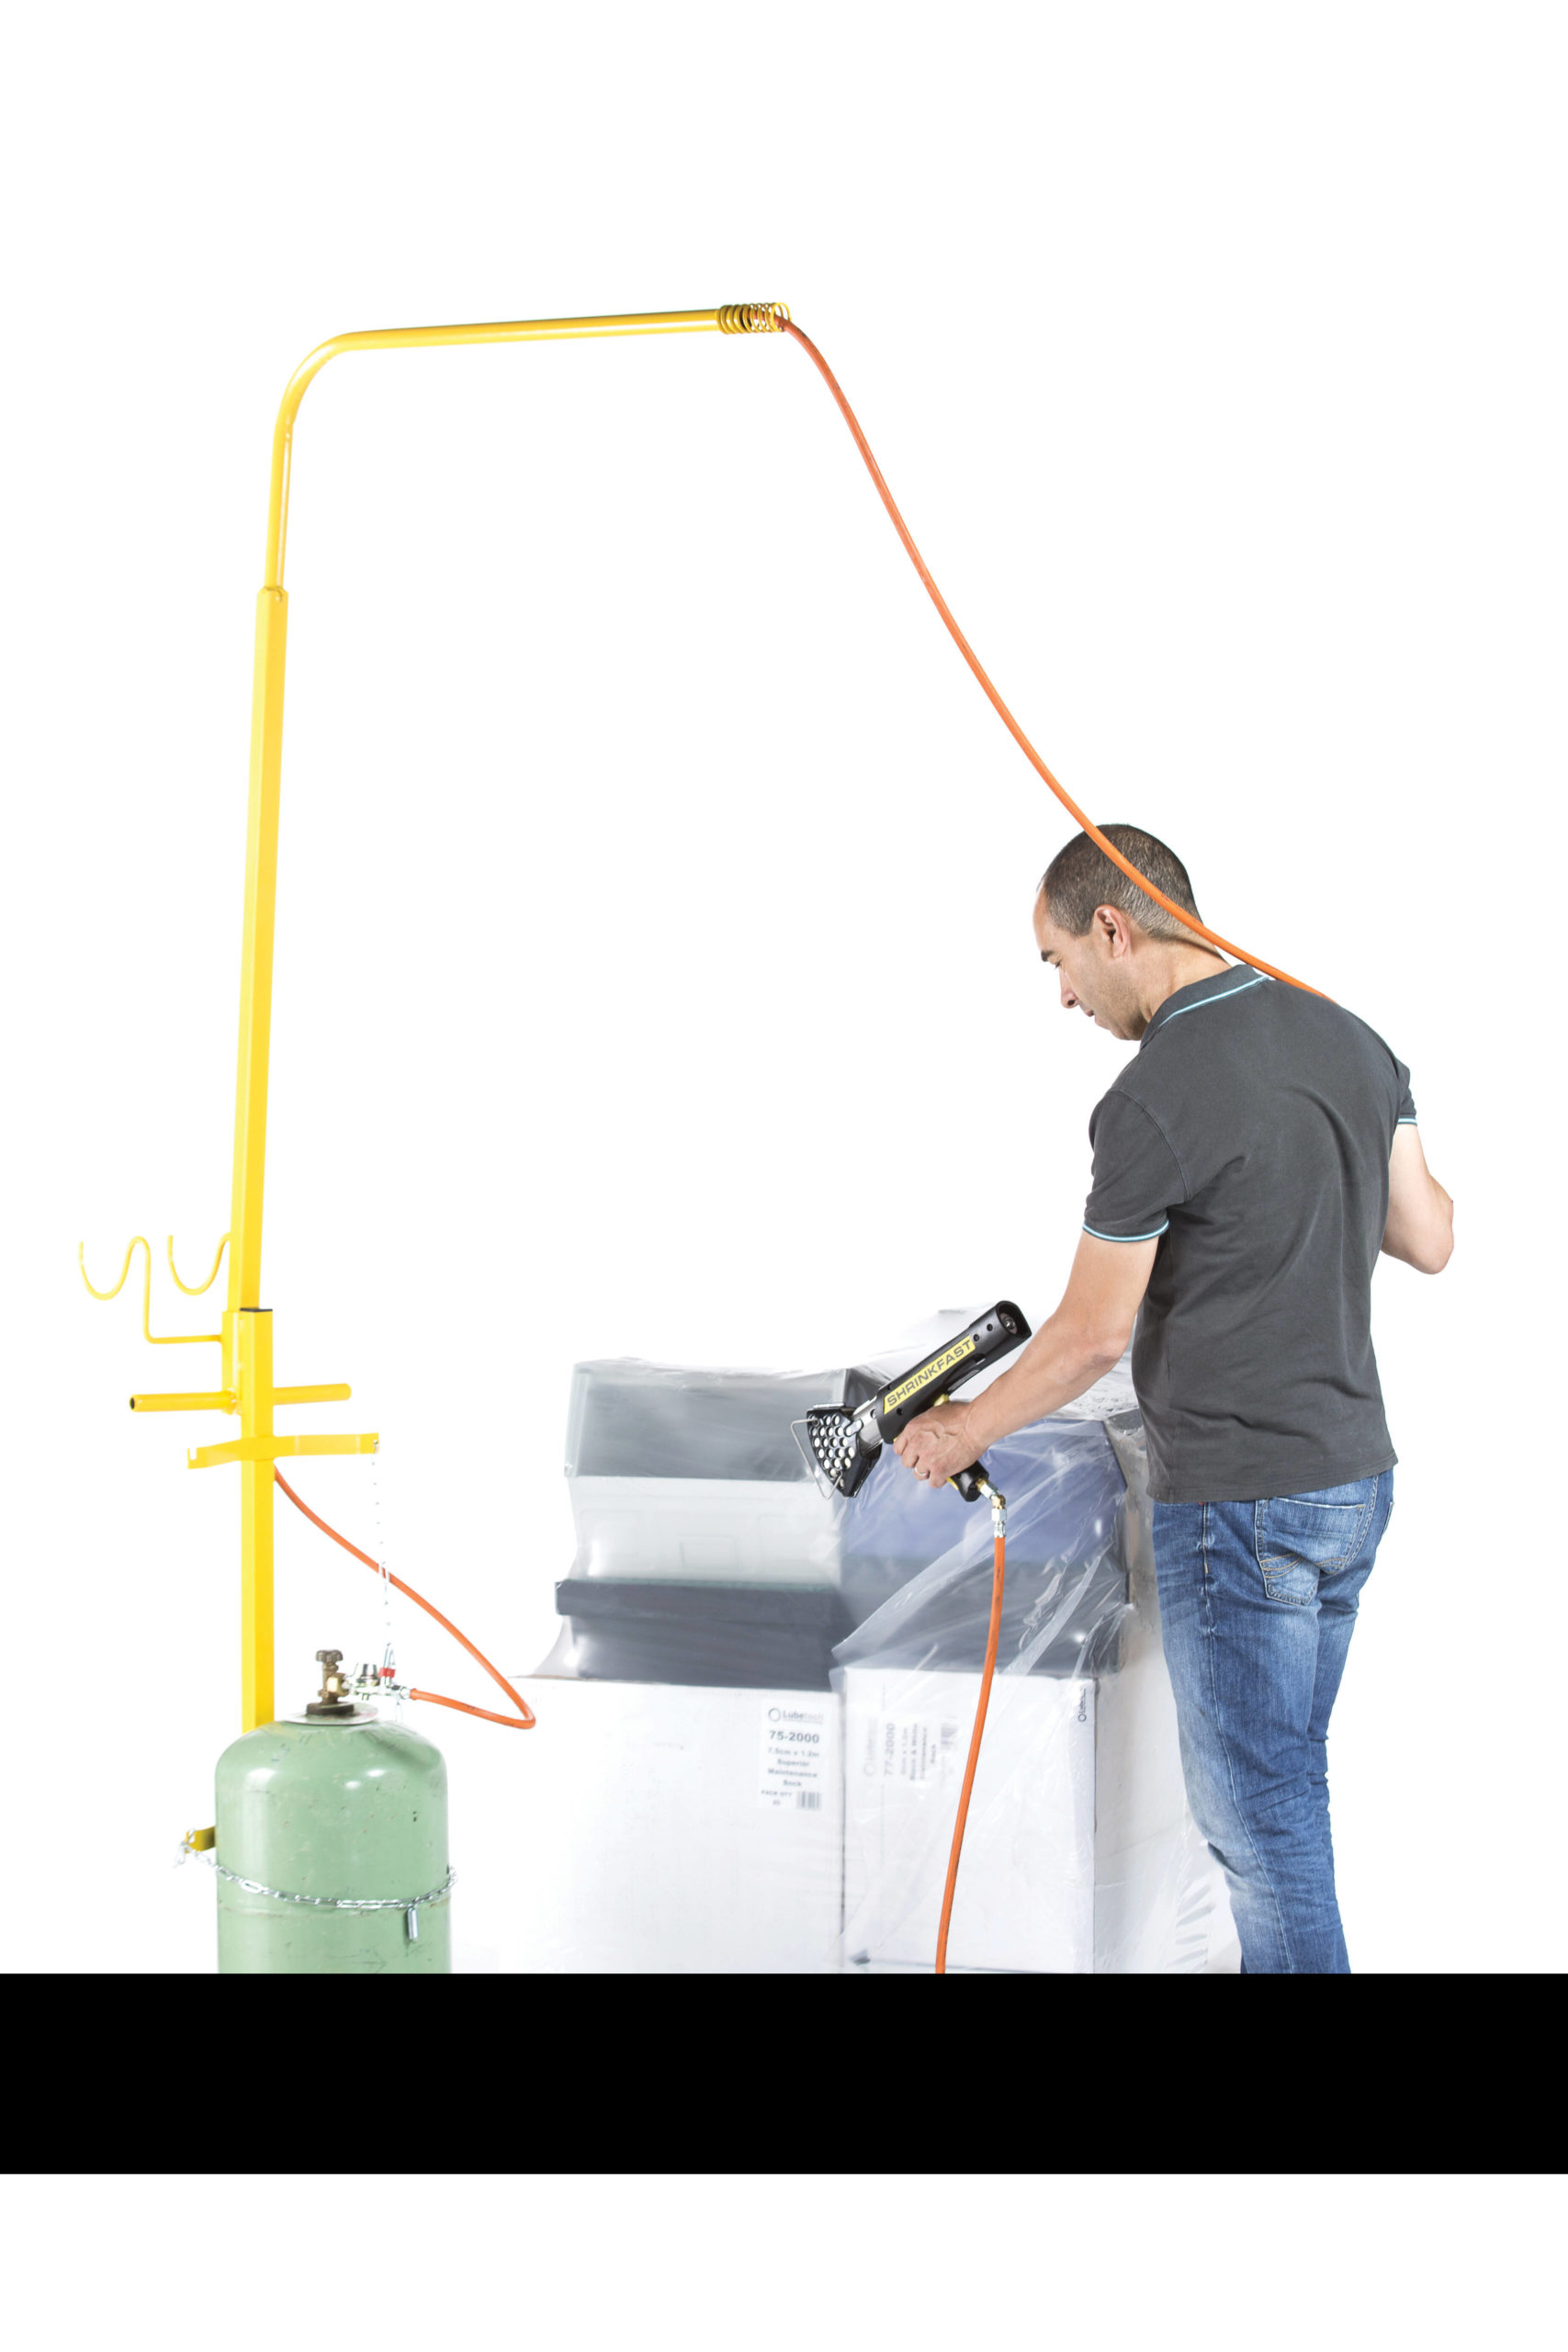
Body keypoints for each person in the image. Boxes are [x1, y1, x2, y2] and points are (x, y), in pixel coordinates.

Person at [893, 824, 1453, 1974]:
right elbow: (1430, 1236)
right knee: (1285, 1788)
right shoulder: (1353, 1038)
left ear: (1113, 926)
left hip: (1244, 1505)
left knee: (1259, 1822)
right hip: (1352, 1483)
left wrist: (964, 1428)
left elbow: (1092, 1331)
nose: (1063, 996)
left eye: (1057, 961)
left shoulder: (1152, 1095)